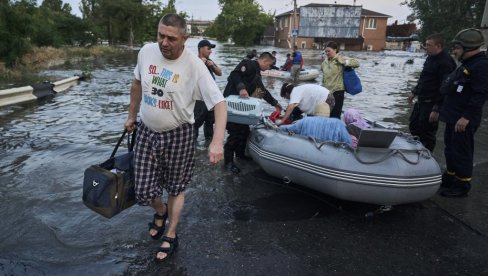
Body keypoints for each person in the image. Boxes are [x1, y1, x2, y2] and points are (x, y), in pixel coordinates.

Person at [124, 14, 227, 262]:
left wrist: (216, 141)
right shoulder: (146, 52)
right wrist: (131, 115)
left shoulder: (194, 66)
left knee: (176, 187)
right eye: (161, 35)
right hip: (147, 131)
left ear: (184, 38)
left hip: (179, 133)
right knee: (144, 191)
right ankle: (161, 212)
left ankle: (170, 232)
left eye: (171, 38)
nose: (164, 42)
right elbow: (137, 83)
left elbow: (220, 104)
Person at [430, 28, 488, 197]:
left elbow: (480, 94)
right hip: (453, 116)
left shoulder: (481, 66)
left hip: (463, 119)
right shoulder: (467, 64)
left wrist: (466, 117)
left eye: (457, 48)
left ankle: (462, 184)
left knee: (462, 151)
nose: (454, 51)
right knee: (450, 148)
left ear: (468, 48)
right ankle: (451, 176)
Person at [223, 52, 283, 173]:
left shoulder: (257, 75)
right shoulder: (248, 64)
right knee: (234, 134)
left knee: (244, 131)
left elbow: (262, 92)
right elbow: (234, 74)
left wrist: (275, 103)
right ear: (265, 61)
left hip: (242, 108)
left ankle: (240, 155)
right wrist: (242, 88)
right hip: (231, 106)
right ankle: (228, 162)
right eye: (270, 66)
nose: (269, 69)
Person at [407, 33, 456, 152]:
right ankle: (416, 151)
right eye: (426, 44)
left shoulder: (445, 62)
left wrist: (436, 109)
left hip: (432, 103)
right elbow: (424, 78)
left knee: (427, 132)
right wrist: (414, 92)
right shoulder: (430, 58)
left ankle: (427, 156)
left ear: (438, 46)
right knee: (413, 126)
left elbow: (445, 88)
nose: (425, 47)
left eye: (429, 45)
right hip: (422, 100)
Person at [279, 103, 353, 145]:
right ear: (328, 112)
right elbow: (348, 142)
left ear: (315, 112)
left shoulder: (306, 120)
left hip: (306, 151)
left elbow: (289, 128)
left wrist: (278, 126)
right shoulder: (337, 123)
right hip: (330, 155)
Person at [321, 41, 360, 119]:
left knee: (335, 116)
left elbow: (357, 63)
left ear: (335, 50)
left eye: (329, 51)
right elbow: (324, 77)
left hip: (337, 92)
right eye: (326, 51)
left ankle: (335, 130)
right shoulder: (324, 62)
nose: (327, 53)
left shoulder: (340, 58)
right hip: (326, 92)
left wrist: (345, 62)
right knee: (325, 114)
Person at [193, 39, 222, 141]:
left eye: (211, 49)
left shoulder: (209, 61)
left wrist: (212, 65)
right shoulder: (194, 61)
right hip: (199, 100)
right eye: (208, 48)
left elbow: (220, 73)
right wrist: (200, 63)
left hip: (211, 99)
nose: (210, 51)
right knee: (195, 124)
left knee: (210, 123)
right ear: (200, 49)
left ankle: (208, 146)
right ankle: (193, 148)